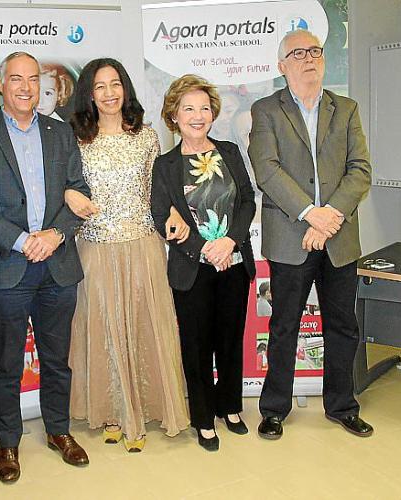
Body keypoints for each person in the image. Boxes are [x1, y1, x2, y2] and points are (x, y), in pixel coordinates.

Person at [0, 51, 91, 484]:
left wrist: (55, 235)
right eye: (16, 79)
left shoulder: (61, 133)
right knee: (6, 363)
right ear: (0, 84)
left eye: (32, 79)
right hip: (8, 267)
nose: (25, 87)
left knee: (57, 359)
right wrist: (23, 241)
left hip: (58, 265)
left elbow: (78, 192)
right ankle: (8, 442)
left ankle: (59, 431)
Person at [248, 29, 373, 440]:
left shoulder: (346, 109)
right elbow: (266, 169)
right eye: (298, 54)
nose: (309, 59)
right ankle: (274, 410)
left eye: (315, 51)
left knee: (343, 327)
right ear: (281, 66)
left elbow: (360, 170)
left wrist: (329, 217)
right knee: (284, 327)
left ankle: (342, 406)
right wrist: (310, 214)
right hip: (291, 237)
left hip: (338, 237)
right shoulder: (266, 110)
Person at [64, 58, 190, 453]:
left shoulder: (147, 137)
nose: (109, 93)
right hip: (95, 246)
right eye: (99, 86)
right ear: (89, 94)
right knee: (103, 329)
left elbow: (159, 191)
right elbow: (65, 186)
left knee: (143, 326)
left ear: (126, 88)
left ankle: (147, 408)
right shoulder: (75, 139)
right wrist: (69, 194)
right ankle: (113, 412)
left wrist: (173, 213)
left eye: (115, 84)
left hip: (142, 244)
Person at [151, 74, 256, 452]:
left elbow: (248, 201)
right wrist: (204, 248)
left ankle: (230, 407)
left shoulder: (229, 151)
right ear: (174, 116)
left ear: (213, 114)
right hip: (192, 266)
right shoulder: (165, 165)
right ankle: (203, 417)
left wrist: (229, 241)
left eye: (204, 108)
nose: (198, 116)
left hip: (233, 261)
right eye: (188, 109)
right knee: (196, 346)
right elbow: (162, 215)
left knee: (229, 340)